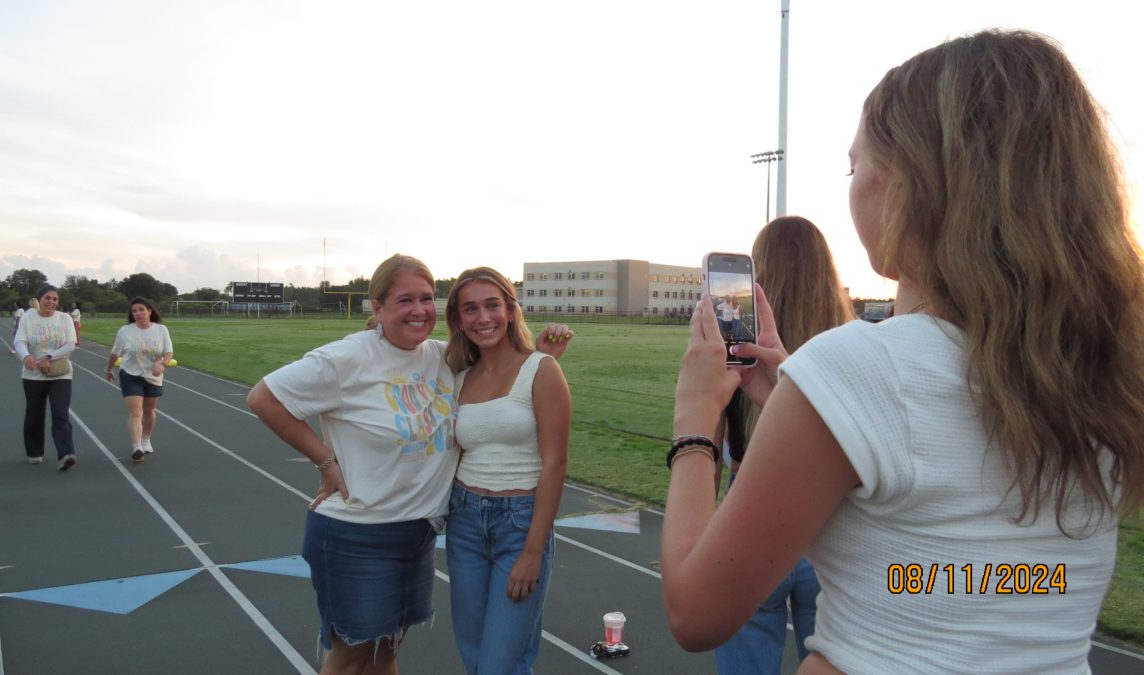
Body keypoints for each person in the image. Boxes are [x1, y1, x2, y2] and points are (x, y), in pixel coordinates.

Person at [661, 30, 1144, 673]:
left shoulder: (862, 368)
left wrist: (695, 426)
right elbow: (991, 581)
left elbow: (697, 613)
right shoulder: (1108, 371)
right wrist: (808, 407)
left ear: (910, 183)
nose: (852, 186)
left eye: (855, 166)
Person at [246, 254, 570, 675]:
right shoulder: (348, 357)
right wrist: (326, 462)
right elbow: (263, 398)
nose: (418, 310)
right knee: (353, 658)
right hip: (357, 534)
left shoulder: (444, 359)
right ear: (377, 307)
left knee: (387, 655)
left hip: (418, 530)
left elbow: (506, 398)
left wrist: (540, 362)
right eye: (404, 300)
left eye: (425, 298)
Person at [714, 216, 854, 675]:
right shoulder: (852, 344)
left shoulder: (735, 345)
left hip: (749, 514)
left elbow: (709, 448)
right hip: (833, 520)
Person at [442, 267, 571, 674]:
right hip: (464, 522)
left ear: (511, 310)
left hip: (520, 523)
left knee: (498, 663)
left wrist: (533, 552)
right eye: (470, 309)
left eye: (492, 305)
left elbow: (555, 464)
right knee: (476, 653)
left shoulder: (542, 369)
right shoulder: (459, 378)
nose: (483, 317)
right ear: (459, 321)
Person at [13, 284, 78, 470]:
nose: (51, 302)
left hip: (61, 373)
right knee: (34, 413)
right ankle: (34, 452)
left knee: (60, 413)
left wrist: (49, 358)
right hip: (33, 375)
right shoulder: (28, 318)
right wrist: (26, 356)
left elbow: (71, 344)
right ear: (39, 300)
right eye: (47, 298)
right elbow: (19, 341)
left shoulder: (64, 318)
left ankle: (66, 453)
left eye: (55, 299)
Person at [105, 297, 173, 463]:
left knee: (149, 411)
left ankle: (145, 439)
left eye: (141, 309)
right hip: (130, 374)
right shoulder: (125, 331)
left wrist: (162, 364)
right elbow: (115, 353)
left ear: (149, 311)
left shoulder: (161, 330)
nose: (138, 313)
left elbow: (169, 352)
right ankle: (136, 447)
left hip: (153, 376)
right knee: (136, 411)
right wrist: (108, 369)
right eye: (134, 311)